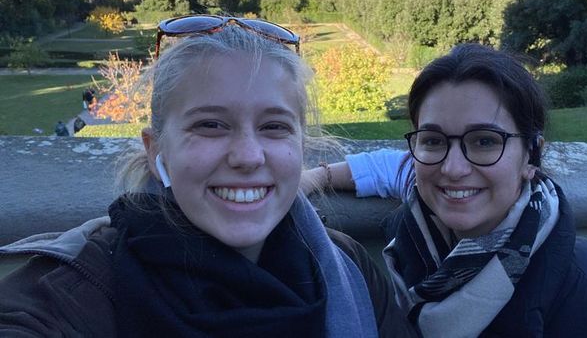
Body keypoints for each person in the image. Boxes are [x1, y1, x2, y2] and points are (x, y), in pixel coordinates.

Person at [0, 17, 418, 337]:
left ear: (302, 147)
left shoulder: (349, 268)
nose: (249, 156)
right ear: (155, 149)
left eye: (275, 127)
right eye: (211, 126)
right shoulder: (71, 294)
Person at [304, 44, 587, 337]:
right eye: (433, 140)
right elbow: (389, 167)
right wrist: (313, 178)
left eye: (484, 141)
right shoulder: (424, 219)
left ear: (531, 155)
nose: (453, 168)